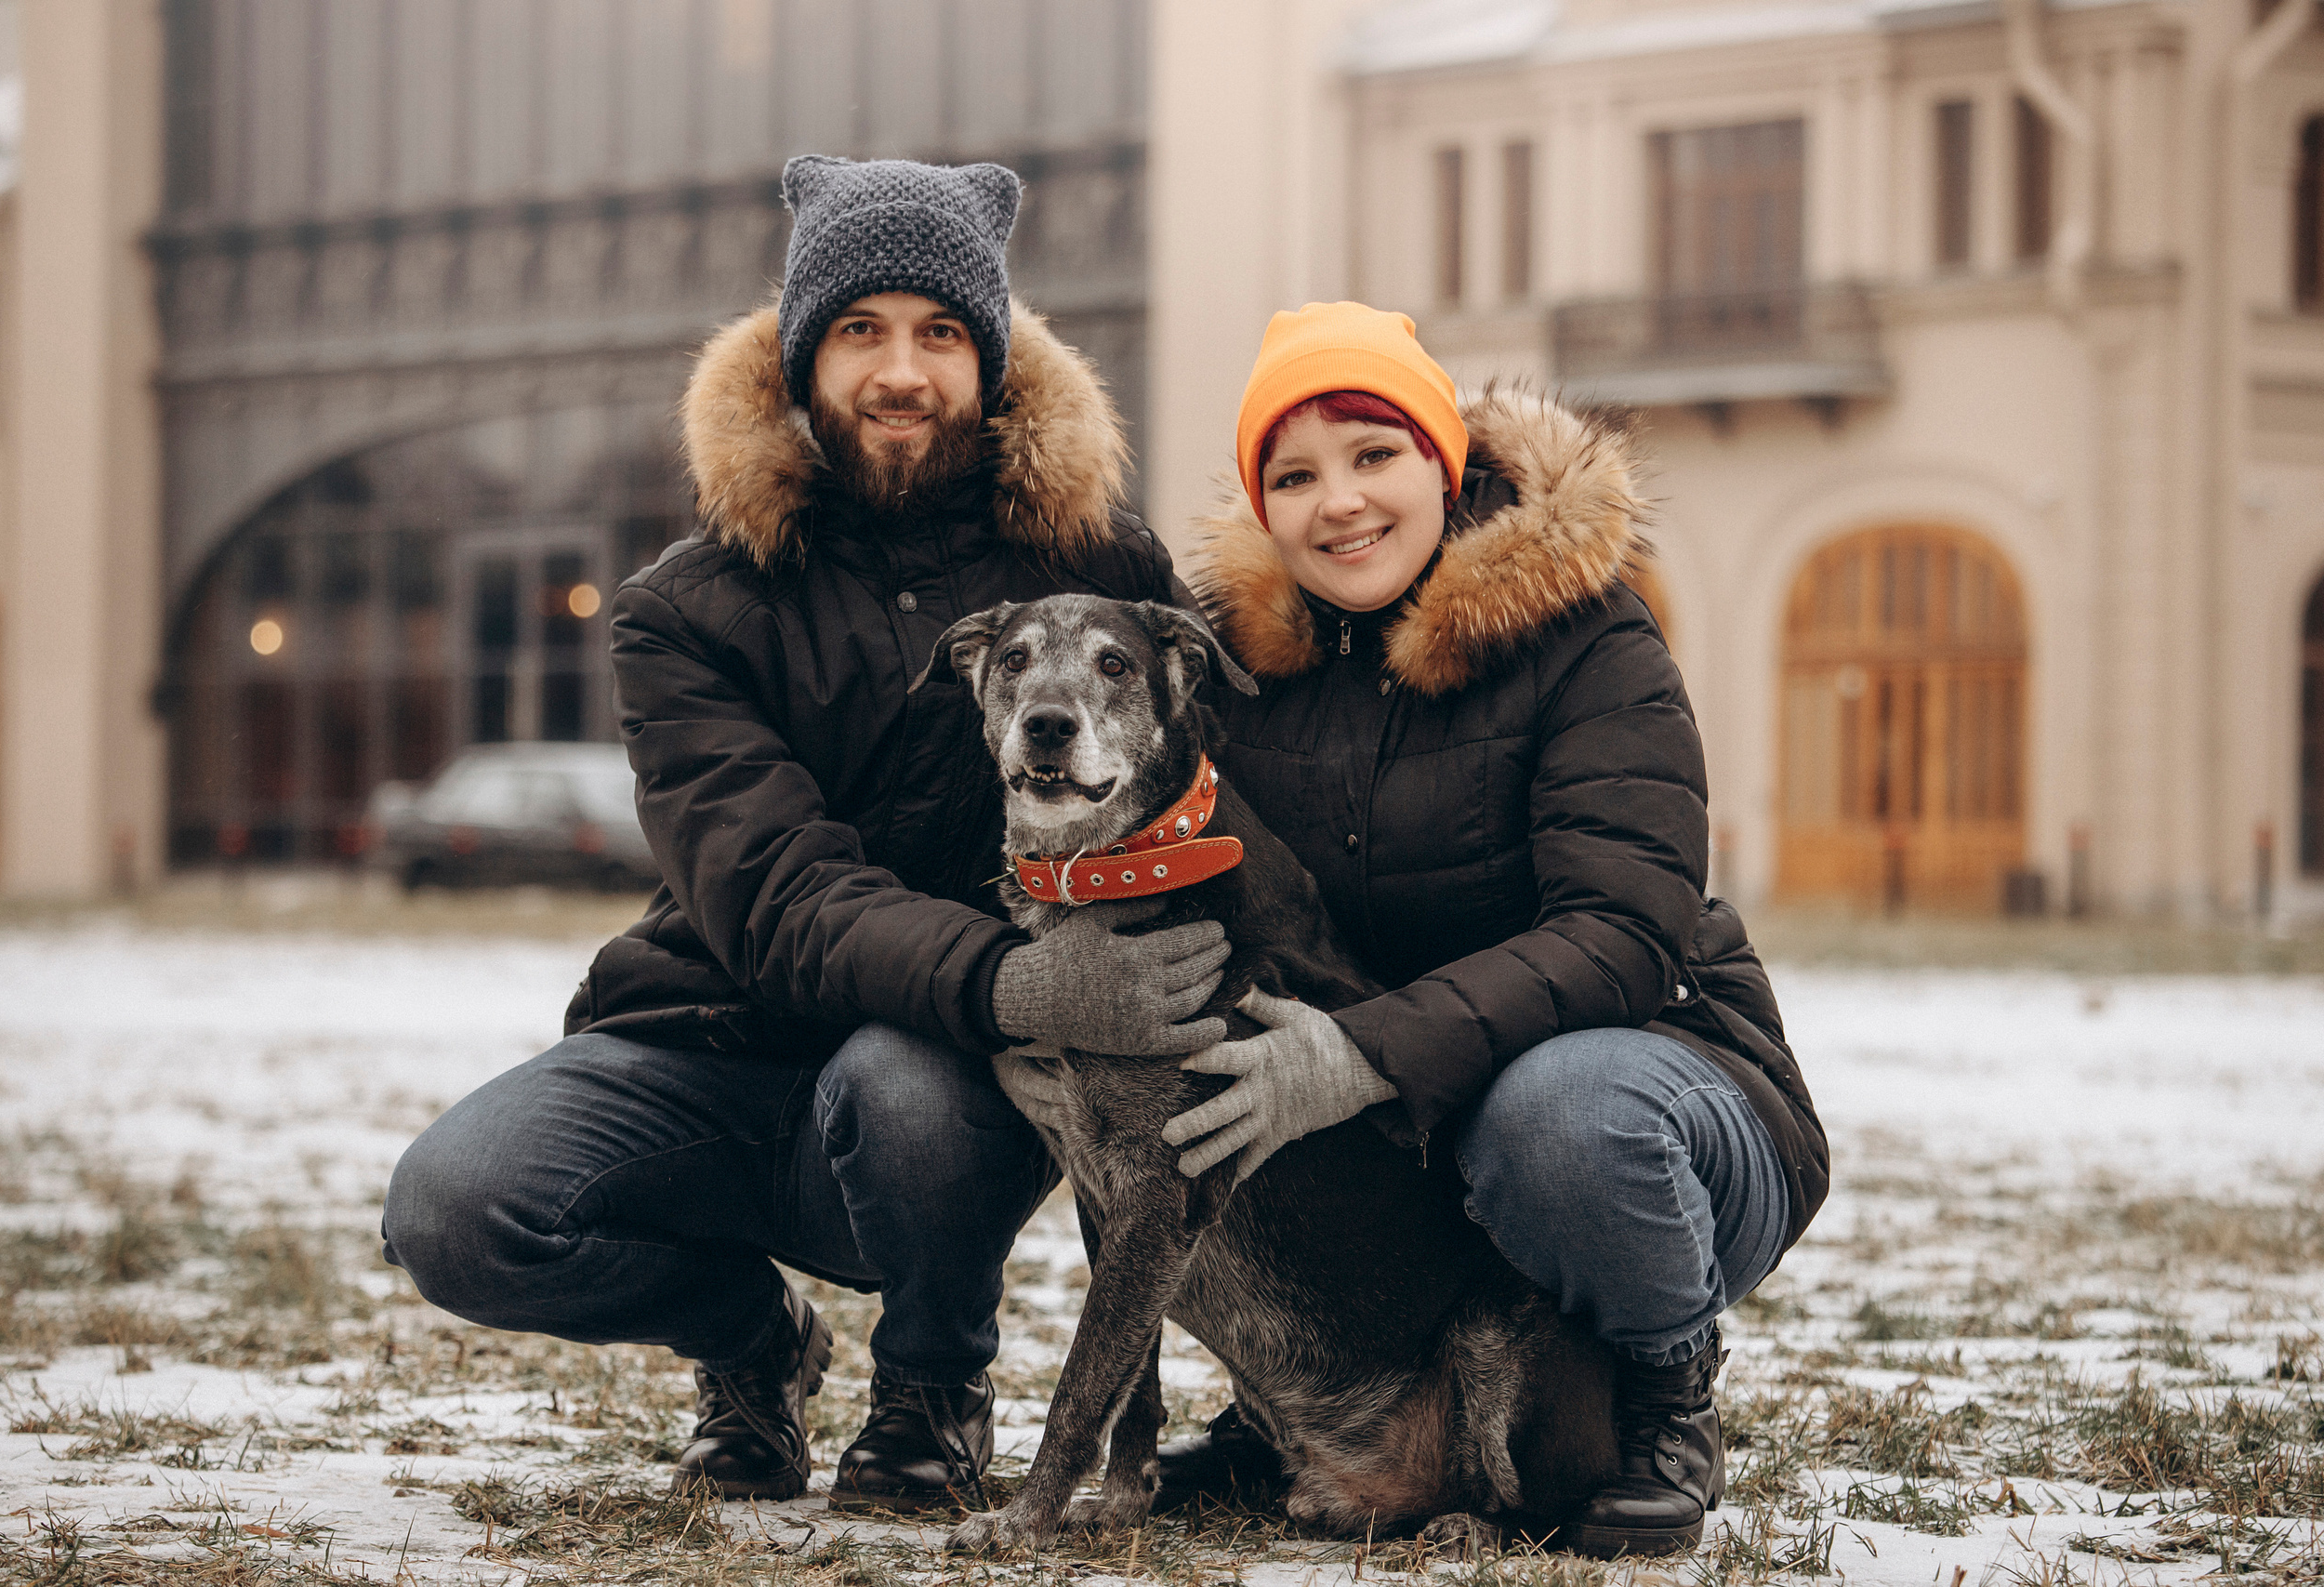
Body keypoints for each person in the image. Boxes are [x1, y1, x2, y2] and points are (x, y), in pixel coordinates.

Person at [379, 156, 1229, 1514]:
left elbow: (1234, 784)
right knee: (455, 1208)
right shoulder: (685, 608)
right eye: (861, 331)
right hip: (714, 1036)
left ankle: (933, 1388)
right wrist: (1011, 977)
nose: (903, 372)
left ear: (994, 361)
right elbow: (774, 889)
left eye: (942, 333)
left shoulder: (1103, 573)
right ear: (800, 358)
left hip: (941, 1081)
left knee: (908, 1083)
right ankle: (751, 1344)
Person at [1150, 302, 1830, 1557]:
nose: (1338, 502)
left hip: (1651, 1107)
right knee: (1186, 1080)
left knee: (1554, 1111)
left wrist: (1365, 1054)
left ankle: (1660, 1399)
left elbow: (1628, 931)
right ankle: (1299, 1408)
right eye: (1292, 476)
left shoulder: (1586, 636)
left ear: (1441, 462)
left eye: (1371, 453)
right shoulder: (1237, 676)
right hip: (1417, 1148)